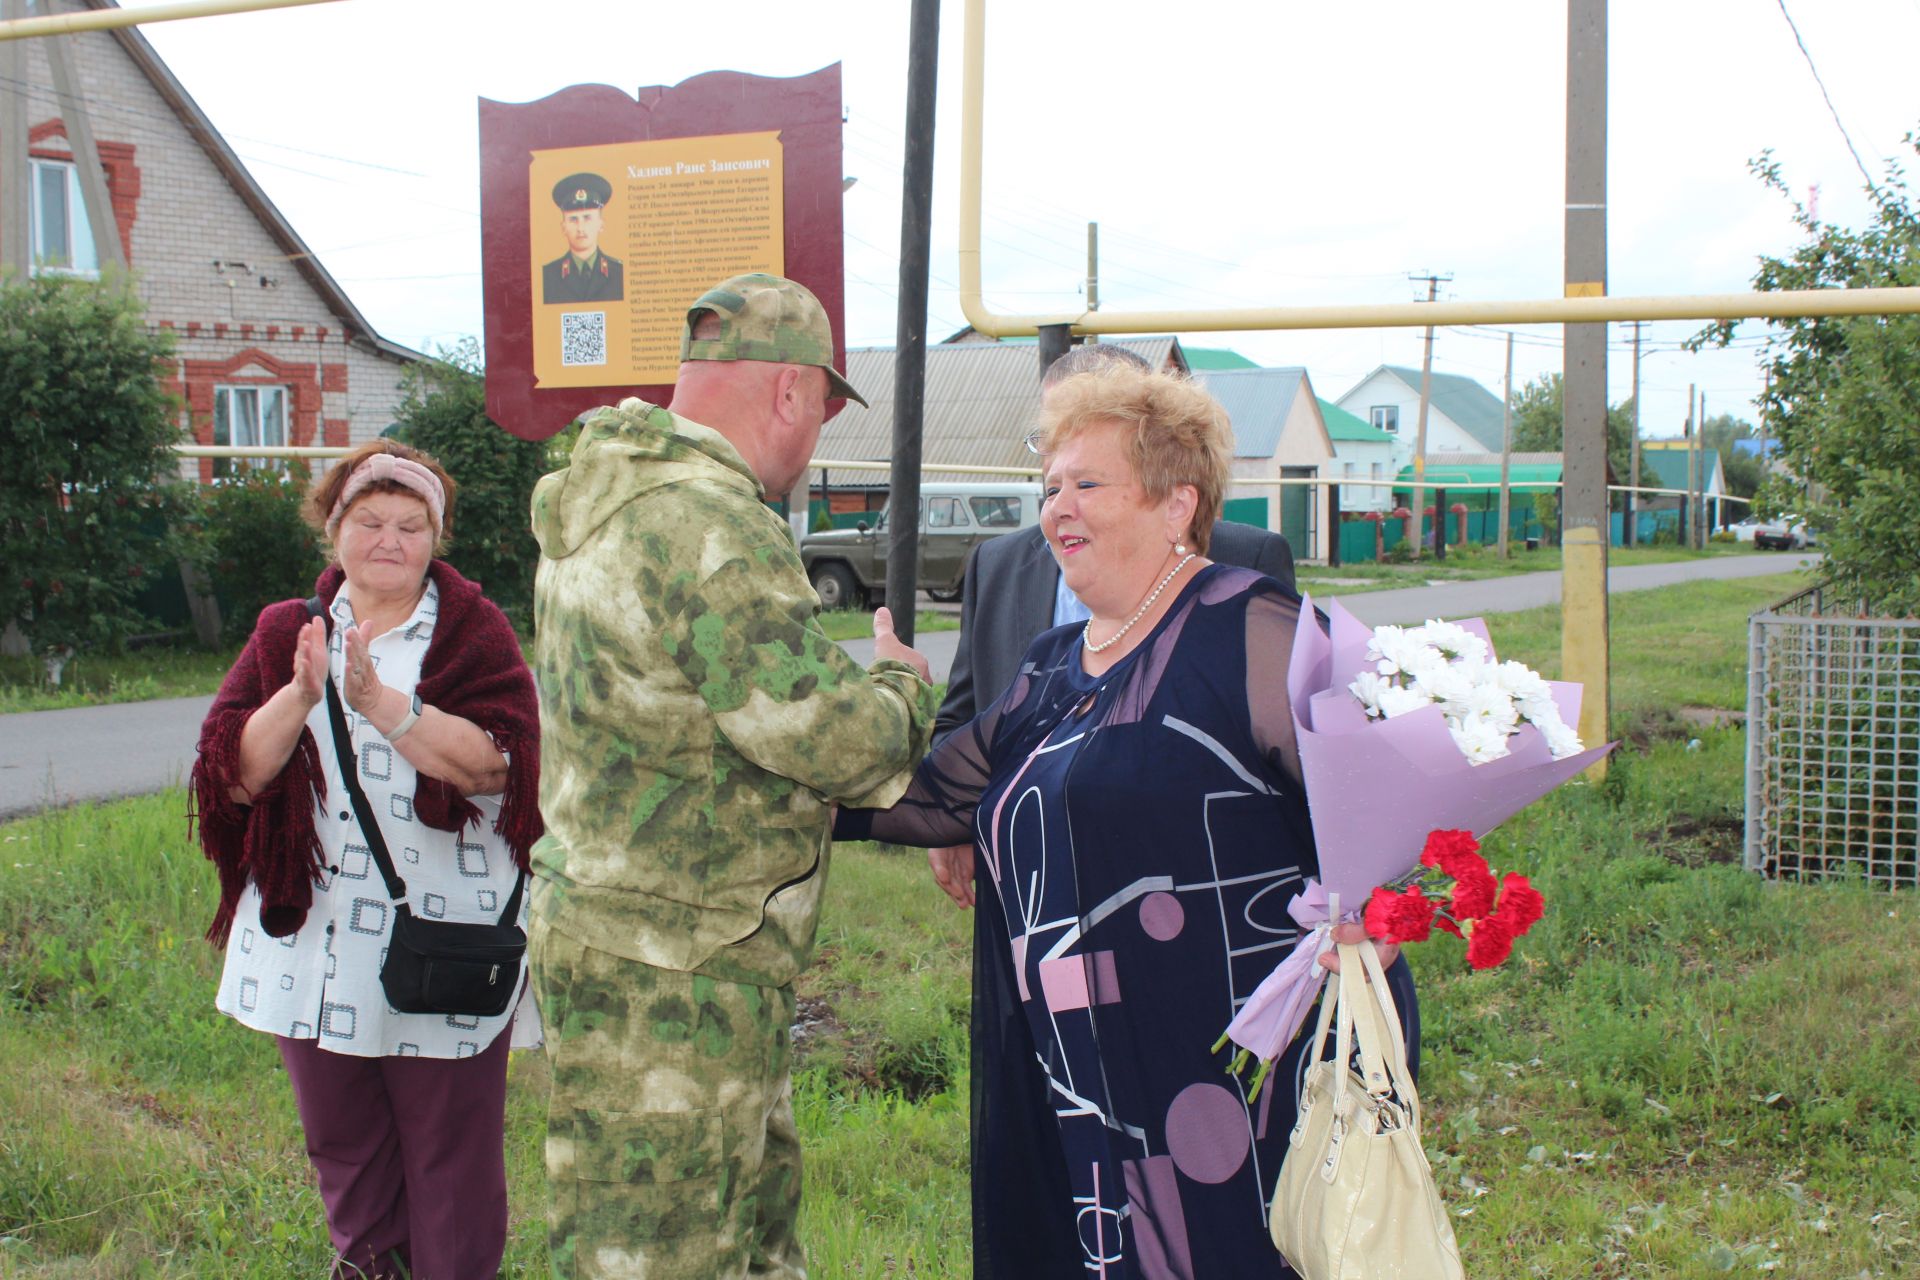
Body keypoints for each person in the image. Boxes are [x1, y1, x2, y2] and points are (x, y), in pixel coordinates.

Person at [835, 364, 1419, 1278]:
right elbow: (937, 798)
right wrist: (793, 773)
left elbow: (1376, 796)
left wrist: (1382, 902)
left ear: (1176, 503)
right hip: (1087, 1059)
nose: (1058, 506)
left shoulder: (1249, 627)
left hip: (1228, 1055)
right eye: (1050, 487)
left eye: (1088, 484)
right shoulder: (1055, 661)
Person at [528, 272, 939, 1279]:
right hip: (680, 965)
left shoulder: (605, 490)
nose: (814, 436)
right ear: (793, 392)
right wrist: (902, 681)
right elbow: (829, 738)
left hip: (632, 932)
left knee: (721, 1233)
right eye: (825, 407)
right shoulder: (709, 523)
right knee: (661, 1251)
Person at [191, 439, 543, 1280]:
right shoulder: (289, 631)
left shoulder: (471, 630)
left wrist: (386, 707)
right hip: (312, 943)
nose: (389, 539)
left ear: (437, 537)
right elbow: (229, 777)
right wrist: (300, 695)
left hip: (443, 935)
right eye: (370, 520)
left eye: (411, 526)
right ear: (333, 527)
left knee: (448, 1158)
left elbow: (502, 765)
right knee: (342, 1145)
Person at [928, 343, 1296, 908]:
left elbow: (1323, 778)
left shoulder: (1248, 586)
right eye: (1050, 445)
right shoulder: (1011, 589)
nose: (1060, 495)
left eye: (1090, 467)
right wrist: (948, 820)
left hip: (1201, 906)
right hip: (1039, 899)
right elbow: (967, 719)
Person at [542, 171, 624, 304]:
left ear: (601, 225)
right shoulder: (547, 277)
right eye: (573, 219)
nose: (580, 228)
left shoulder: (621, 274)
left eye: (587, 218)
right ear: (563, 227)